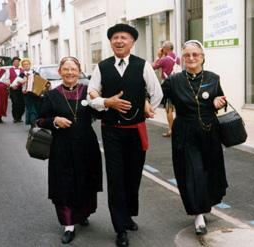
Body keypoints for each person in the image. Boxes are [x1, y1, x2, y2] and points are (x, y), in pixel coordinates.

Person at [87, 23, 163, 247]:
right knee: (116, 179)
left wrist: (146, 106)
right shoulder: (102, 67)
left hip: (135, 132)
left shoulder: (143, 65)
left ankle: (128, 215)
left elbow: (156, 93)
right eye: (115, 38)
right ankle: (120, 228)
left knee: (133, 177)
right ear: (111, 42)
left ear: (132, 42)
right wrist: (106, 102)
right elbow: (92, 96)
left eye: (124, 38)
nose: (119, 41)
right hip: (111, 132)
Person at [160, 40, 228, 236]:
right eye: (187, 55)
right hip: (185, 133)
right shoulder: (174, 81)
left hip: (209, 131)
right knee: (192, 172)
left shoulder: (213, 78)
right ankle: (198, 214)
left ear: (202, 57)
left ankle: (205, 205)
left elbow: (220, 100)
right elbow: (157, 97)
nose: (191, 58)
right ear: (182, 58)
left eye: (195, 55)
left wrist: (218, 102)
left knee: (209, 171)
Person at [36, 57, 103, 244]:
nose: (69, 73)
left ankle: (82, 213)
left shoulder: (88, 92)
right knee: (64, 183)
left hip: (86, 146)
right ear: (60, 72)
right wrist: (54, 121)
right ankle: (68, 225)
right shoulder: (51, 94)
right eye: (65, 69)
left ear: (79, 71)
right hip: (62, 147)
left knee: (85, 180)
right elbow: (40, 120)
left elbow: (100, 112)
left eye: (73, 69)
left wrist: (103, 102)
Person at [153, 40, 181, 137]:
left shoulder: (164, 60)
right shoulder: (177, 58)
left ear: (165, 49)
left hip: (168, 85)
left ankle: (171, 130)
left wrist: (158, 56)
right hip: (178, 84)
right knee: (178, 107)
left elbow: (152, 67)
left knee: (168, 108)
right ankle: (179, 129)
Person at [11, 58, 42, 127]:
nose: (26, 66)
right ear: (22, 66)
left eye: (27, 64)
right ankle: (33, 123)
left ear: (30, 65)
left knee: (34, 107)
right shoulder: (22, 75)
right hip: (26, 93)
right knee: (31, 108)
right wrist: (20, 82)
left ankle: (31, 121)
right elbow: (13, 84)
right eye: (24, 65)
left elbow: (40, 82)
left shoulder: (35, 73)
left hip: (35, 93)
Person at [8, 57, 25, 123]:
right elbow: (7, 79)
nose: (16, 63)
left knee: (22, 104)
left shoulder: (22, 70)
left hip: (21, 88)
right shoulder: (9, 70)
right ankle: (15, 117)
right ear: (13, 62)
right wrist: (10, 86)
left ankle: (20, 117)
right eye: (15, 61)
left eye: (18, 61)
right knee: (15, 103)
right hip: (13, 89)